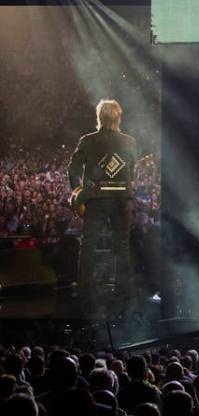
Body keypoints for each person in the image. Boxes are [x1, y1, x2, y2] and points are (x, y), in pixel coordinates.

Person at [68, 99, 138, 302]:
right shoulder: (130, 141)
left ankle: (85, 291)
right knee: (122, 245)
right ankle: (124, 293)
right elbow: (131, 170)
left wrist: (77, 192)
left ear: (99, 118)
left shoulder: (87, 140)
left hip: (95, 199)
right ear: (118, 118)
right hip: (122, 199)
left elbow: (73, 169)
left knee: (89, 245)